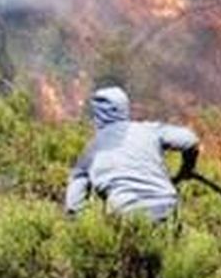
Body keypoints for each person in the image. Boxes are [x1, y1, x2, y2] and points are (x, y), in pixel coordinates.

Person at [65, 86, 200, 222]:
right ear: (125, 108)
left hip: (126, 213)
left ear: (97, 113)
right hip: (166, 207)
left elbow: (74, 200)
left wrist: (78, 224)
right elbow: (190, 140)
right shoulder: (149, 130)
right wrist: (186, 170)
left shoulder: (92, 150)